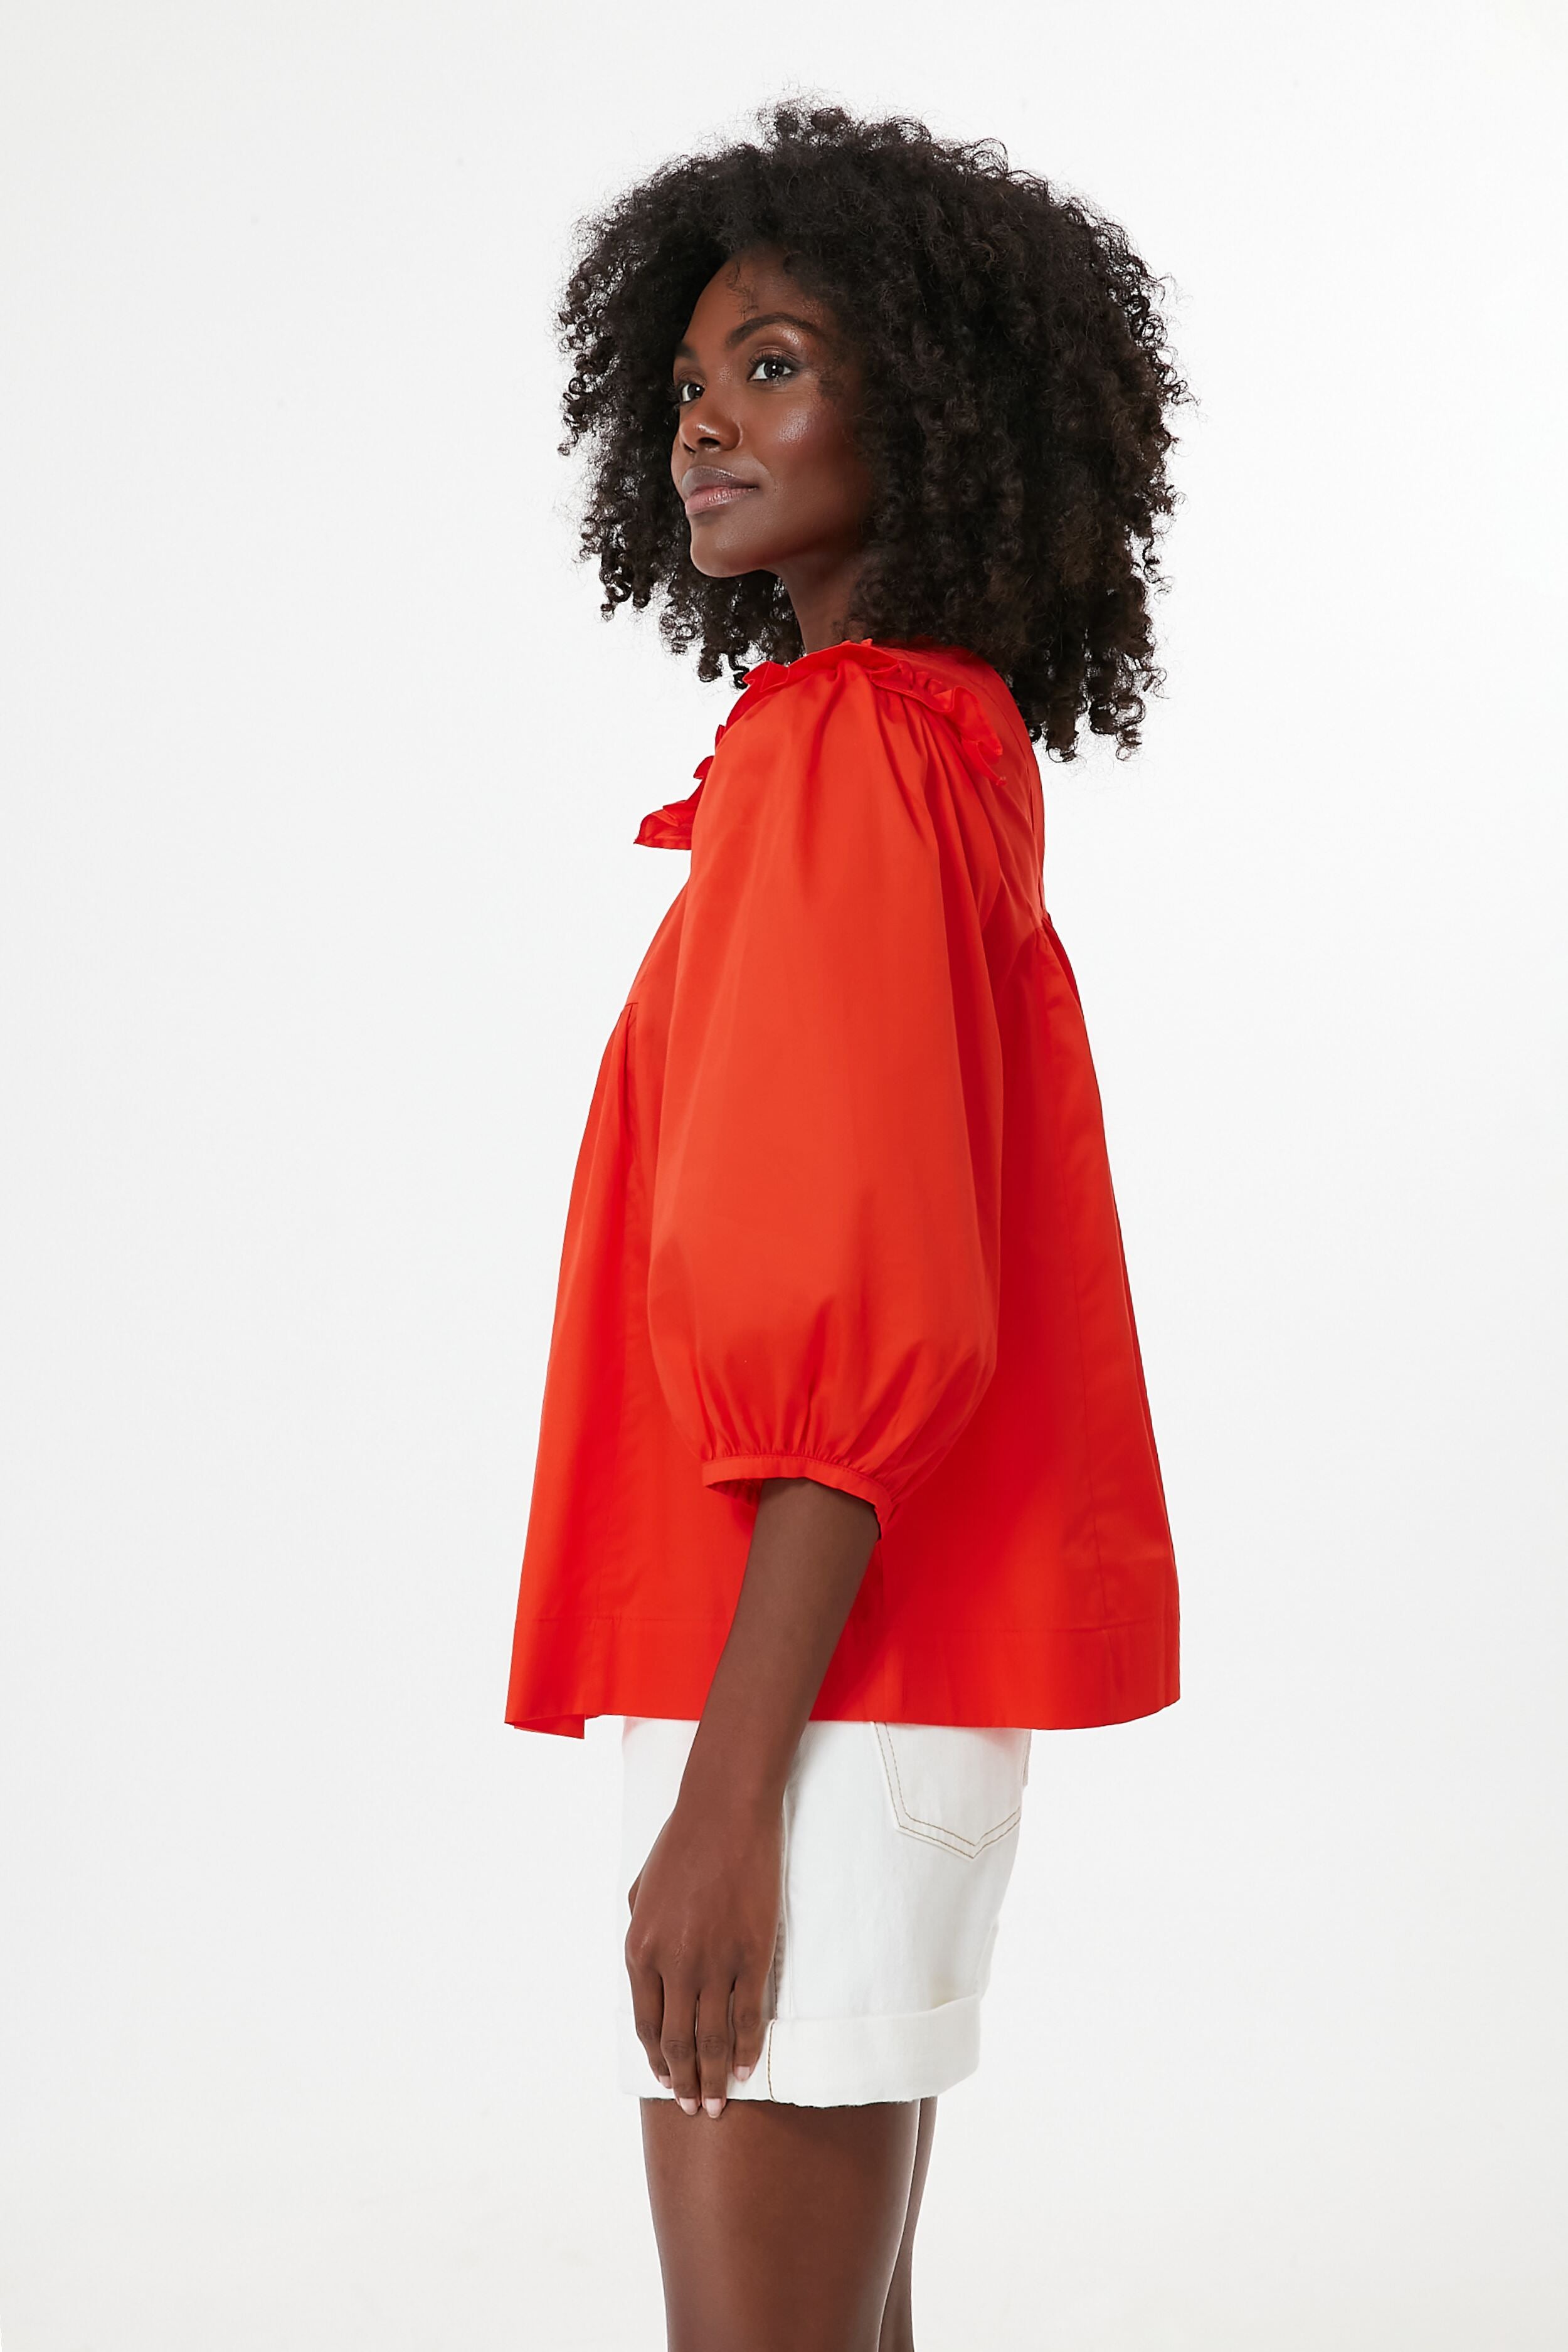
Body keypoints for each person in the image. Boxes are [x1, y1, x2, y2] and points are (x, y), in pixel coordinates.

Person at [506, 103, 1187, 2352]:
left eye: (775, 366)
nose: (705, 420)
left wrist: (728, 1800)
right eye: (691, 379)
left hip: (802, 1690)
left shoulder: (845, 758)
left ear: (937, 407)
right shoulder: (925, 744)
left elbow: (858, 1294)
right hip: (853, 1693)